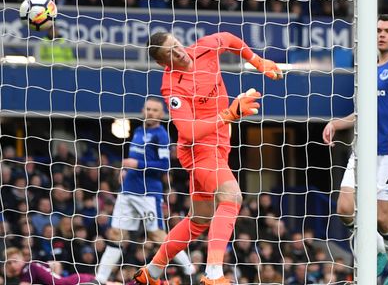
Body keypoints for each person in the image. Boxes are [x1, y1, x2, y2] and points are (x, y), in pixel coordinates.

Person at [128, 31, 282, 285]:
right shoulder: (172, 87)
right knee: (232, 197)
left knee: (199, 219)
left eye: (175, 44)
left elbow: (230, 39)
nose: (177, 52)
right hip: (199, 149)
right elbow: (188, 130)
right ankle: (213, 274)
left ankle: (152, 272)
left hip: (219, 145)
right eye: (169, 52)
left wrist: (257, 60)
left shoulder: (204, 48)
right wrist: (228, 115)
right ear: (162, 63)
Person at [322, 14, 388, 285]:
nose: (381, 35)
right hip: (363, 151)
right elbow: (363, 112)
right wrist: (336, 123)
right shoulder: (368, 68)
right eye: (378, 30)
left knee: (382, 218)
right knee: (344, 208)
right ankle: (377, 248)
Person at [95, 98, 195, 283]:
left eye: (155, 110)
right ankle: (100, 279)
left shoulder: (162, 135)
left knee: (157, 235)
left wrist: (137, 164)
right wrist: (126, 170)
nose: (150, 112)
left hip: (147, 193)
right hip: (127, 191)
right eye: (148, 109)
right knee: (116, 234)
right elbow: (134, 157)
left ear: (161, 114)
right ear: (143, 110)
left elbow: (165, 165)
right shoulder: (139, 130)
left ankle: (190, 271)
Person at [3, 247, 99, 285]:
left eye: (15, 261)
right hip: (75, 279)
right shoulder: (34, 265)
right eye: (9, 263)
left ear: (22, 259)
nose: (12, 265)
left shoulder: (28, 268)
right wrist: (54, 277)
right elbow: (56, 264)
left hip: (76, 282)